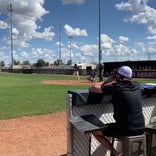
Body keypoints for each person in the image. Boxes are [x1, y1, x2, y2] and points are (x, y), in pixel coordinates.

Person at [89, 66, 145, 156]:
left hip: (125, 129)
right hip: (141, 128)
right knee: (120, 125)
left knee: (95, 131)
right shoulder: (137, 85)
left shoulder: (116, 87)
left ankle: (116, 153)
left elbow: (93, 87)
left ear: (119, 76)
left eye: (116, 74)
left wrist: (108, 80)